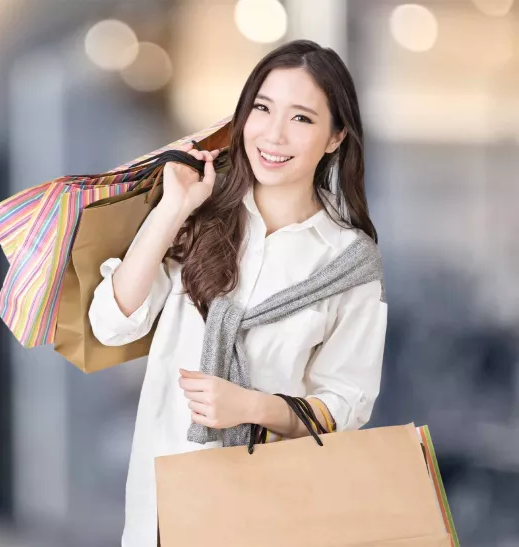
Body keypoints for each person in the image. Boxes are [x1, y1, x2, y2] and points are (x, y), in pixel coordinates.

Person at [88, 39, 388, 547]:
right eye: (262, 108)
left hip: (274, 515)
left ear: (336, 137)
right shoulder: (200, 221)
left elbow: (345, 406)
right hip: (164, 509)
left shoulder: (348, 262)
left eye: (301, 118)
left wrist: (252, 407)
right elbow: (114, 321)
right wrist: (171, 209)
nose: (273, 133)